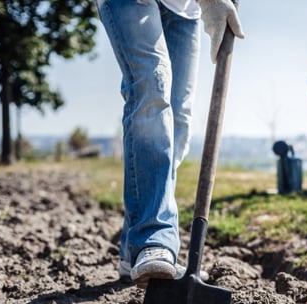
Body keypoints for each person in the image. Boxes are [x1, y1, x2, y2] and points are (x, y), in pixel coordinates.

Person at [93, 0, 244, 288]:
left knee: (177, 122)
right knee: (152, 86)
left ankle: (132, 249)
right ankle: (154, 238)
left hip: (184, 9)